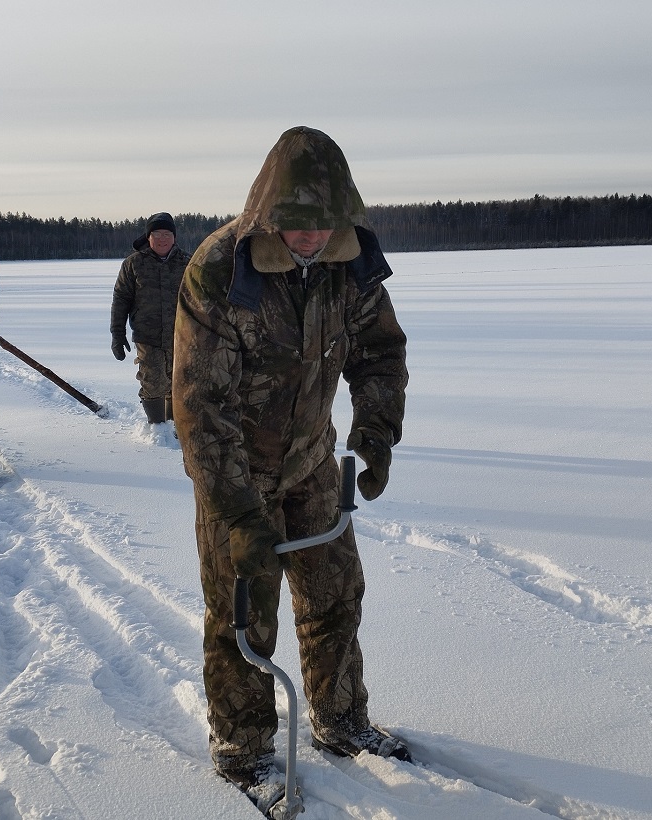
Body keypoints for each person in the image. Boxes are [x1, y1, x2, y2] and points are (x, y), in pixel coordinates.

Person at [172, 126, 409, 814]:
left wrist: (375, 433)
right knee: (245, 615)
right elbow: (199, 407)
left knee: (337, 593)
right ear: (269, 212)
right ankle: (243, 749)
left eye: (323, 225)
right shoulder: (221, 270)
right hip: (235, 473)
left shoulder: (352, 263)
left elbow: (379, 353)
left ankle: (341, 720)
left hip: (311, 462)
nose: (309, 239)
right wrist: (239, 515)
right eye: (295, 224)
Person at [110, 212, 191, 423]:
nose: (162, 239)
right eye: (157, 234)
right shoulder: (134, 264)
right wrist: (117, 335)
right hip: (148, 336)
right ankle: (157, 427)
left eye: (167, 234)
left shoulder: (188, 263)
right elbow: (121, 300)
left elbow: (201, 301)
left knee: (178, 381)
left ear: (174, 237)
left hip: (181, 335)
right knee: (153, 381)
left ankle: (174, 427)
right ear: (149, 237)